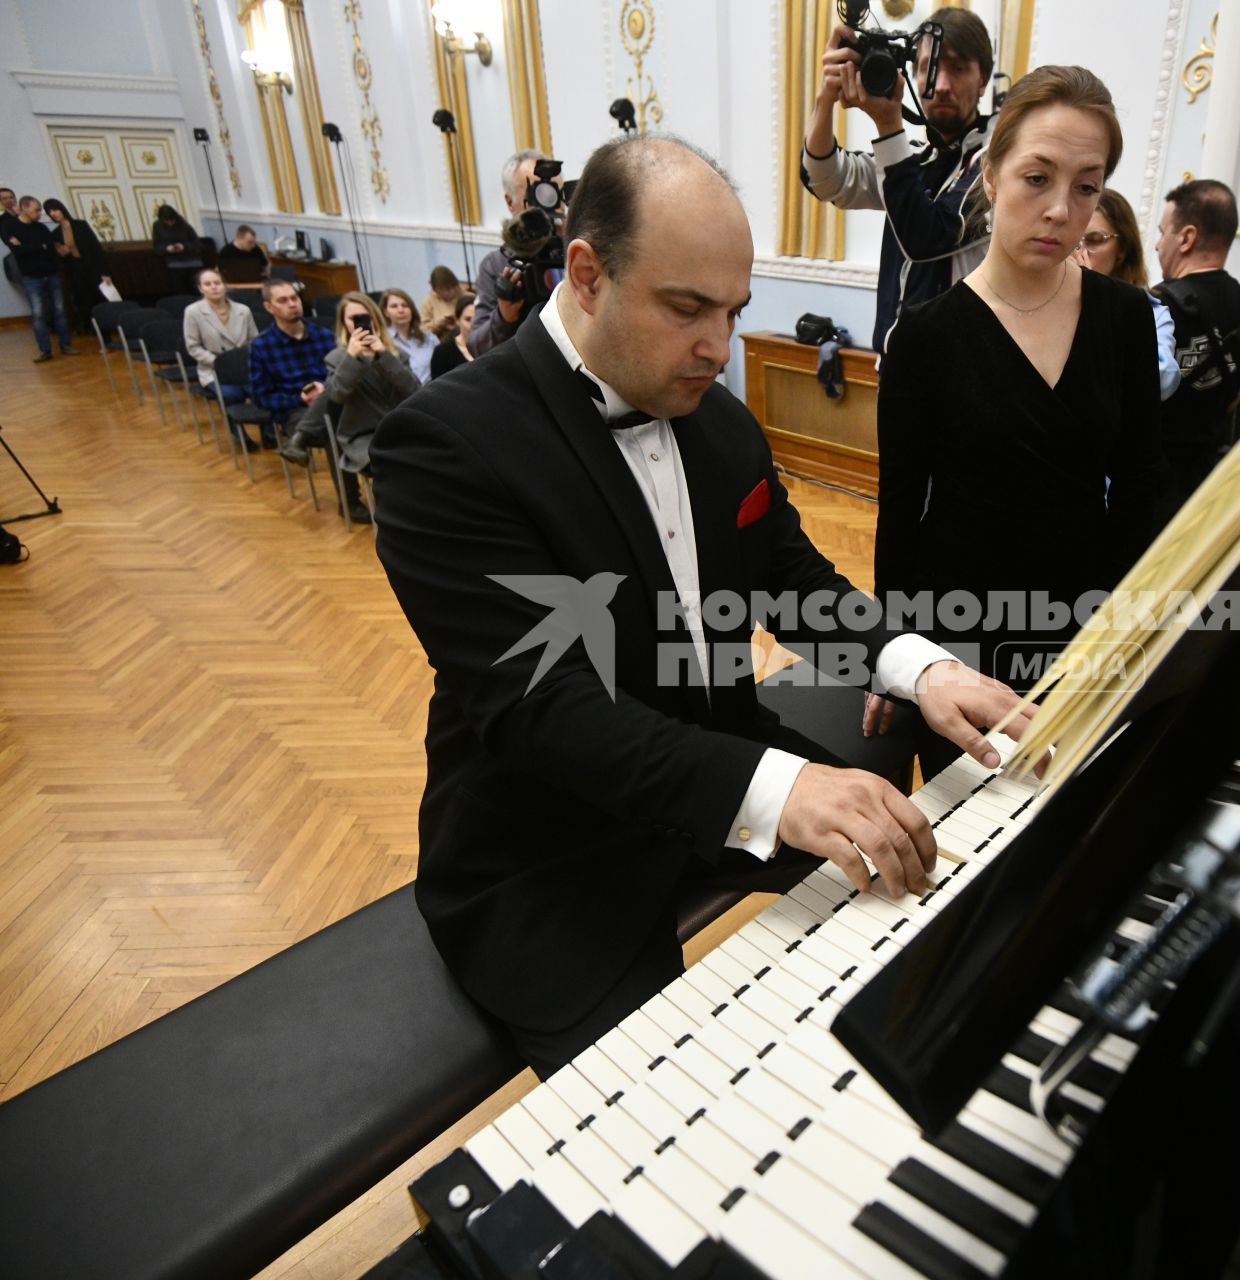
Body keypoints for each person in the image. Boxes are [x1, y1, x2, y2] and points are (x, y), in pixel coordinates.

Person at [370, 133, 1031, 1075]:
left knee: (924, 902)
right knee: (660, 1106)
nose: (719, 350)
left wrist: (924, 669)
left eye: (733, 312)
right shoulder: (444, 446)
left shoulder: (714, 418)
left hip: (713, 771)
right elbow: (547, 715)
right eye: (688, 309)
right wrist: (783, 789)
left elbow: (796, 585)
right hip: (551, 851)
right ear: (588, 274)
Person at [872, 65, 1167, 769]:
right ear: (992, 176)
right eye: (1038, 178)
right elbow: (900, 515)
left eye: (1087, 186)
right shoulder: (924, 336)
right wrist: (896, 658)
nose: (1064, 210)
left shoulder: (1124, 318)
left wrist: (1131, 643)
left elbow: (1139, 495)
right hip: (959, 638)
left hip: (1082, 634)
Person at [802, 7, 994, 351]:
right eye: (928, 68)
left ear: (983, 82)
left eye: (959, 69)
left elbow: (927, 236)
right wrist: (824, 98)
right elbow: (826, 178)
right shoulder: (915, 161)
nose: (942, 85)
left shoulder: (997, 166)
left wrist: (889, 126)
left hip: (956, 385)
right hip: (894, 372)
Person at [1151, 178, 1240, 507]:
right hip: (1203, 487)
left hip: (1146, 482)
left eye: (1163, 233)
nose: (1158, 245)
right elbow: (1236, 399)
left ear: (1186, 237)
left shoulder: (1161, 305)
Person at [276, 291, 415, 525]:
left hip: (397, 429)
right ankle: (395, 520)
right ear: (344, 324)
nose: (360, 323)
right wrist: (353, 358)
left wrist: (382, 355)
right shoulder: (337, 357)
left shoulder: (395, 354)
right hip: (362, 435)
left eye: (365, 316)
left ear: (375, 319)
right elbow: (337, 393)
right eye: (353, 319)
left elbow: (413, 390)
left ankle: (301, 436)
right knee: (330, 402)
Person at [1075, 187, 1181, 401]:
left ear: (1122, 249)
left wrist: (1095, 298)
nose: (1080, 251)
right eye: (1073, 239)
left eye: (1095, 240)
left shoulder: (1150, 311)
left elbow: (1162, 378)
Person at [468, 148, 564, 357]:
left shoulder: (579, 251)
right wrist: (504, 316)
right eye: (536, 191)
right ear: (510, 202)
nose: (548, 201)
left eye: (554, 191)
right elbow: (476, 345)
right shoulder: (497, 265)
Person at [244, 279, 334, 450]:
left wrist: (323, 389)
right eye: (283, 300)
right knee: (327, 429)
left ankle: (296, 445)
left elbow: (341, 375)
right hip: (294, 410)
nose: (292, 304)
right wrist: (299, 398)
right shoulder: (262, 346)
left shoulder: (324, 336)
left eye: (295, 298)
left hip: (330, 399)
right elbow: (262, 397)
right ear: (269, 307)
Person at [8, 198, 73, 361]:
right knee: (38, 314)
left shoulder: (42, 228)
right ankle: (45, 350)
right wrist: (38, 247)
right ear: (24, 208)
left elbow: (50, 250)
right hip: (32, 278)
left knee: (60, 311)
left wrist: (28, 247)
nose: (40, 213)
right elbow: (18, 252)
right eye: (36, 210)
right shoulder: (13, 228)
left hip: (51, 274)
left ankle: (65, 345)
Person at [182, 267, 256, 407]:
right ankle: (234, 428)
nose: (214, 287)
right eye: (208, 284)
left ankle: (268, 429)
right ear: (200, 288)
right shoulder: (193, 312)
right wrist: (220, 362)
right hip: (214, 369)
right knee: (231, 394)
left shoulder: (243, 310)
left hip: (244, 366)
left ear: (224, 285)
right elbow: (193, 346)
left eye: (217, 283)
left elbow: (254, 340)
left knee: (262, 391)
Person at [43, 198, 111, 335]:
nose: (53, 214)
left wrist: (104, 272)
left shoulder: (80, 225)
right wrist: (61, 253)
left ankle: (107, 330)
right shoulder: (55, 233)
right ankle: (93, 329)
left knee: (100, 299)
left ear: (61, 209)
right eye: (50, 212)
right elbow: (58, 256)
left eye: (55, 209)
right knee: (85, 301)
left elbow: (95, 248)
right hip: (75, 270)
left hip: (92, 267)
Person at [380, 287, 439, 383]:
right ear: (386, 312)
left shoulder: (429, 338)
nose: (401, 310)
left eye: (405, 305)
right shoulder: (382, 341)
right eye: (394, 306)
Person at [152, 204, 205, 296]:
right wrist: (167, 249)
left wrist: (184, 247)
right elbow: (157, 247)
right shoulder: (157, 226)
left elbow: (197, 244)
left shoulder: (184, 224)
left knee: (197, 289)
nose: (170, 223)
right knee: (180, 290)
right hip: (174, 263)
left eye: (172, 220)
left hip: (192, 260)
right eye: (166, 221)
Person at [427, 294, 474, 380]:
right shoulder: (443, 352)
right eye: (468, 319)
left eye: (478, 318)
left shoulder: (493, 345)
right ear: (457, 321)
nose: (474, 324)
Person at [420, 265, 465, 330]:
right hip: (440, 337)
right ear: (435, 290)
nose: (448, 292)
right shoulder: (429, 301)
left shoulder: (466, 296)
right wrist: (436, 323)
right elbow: (423, 329)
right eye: (442, 290)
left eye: (450, 288)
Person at [0, 187, 21, 251]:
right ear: (0, 201)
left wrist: (20, 215)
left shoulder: (26, 214)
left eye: (11, 197)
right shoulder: (0, 220)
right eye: (5, 198)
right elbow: (7, 240)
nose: (9, 200)